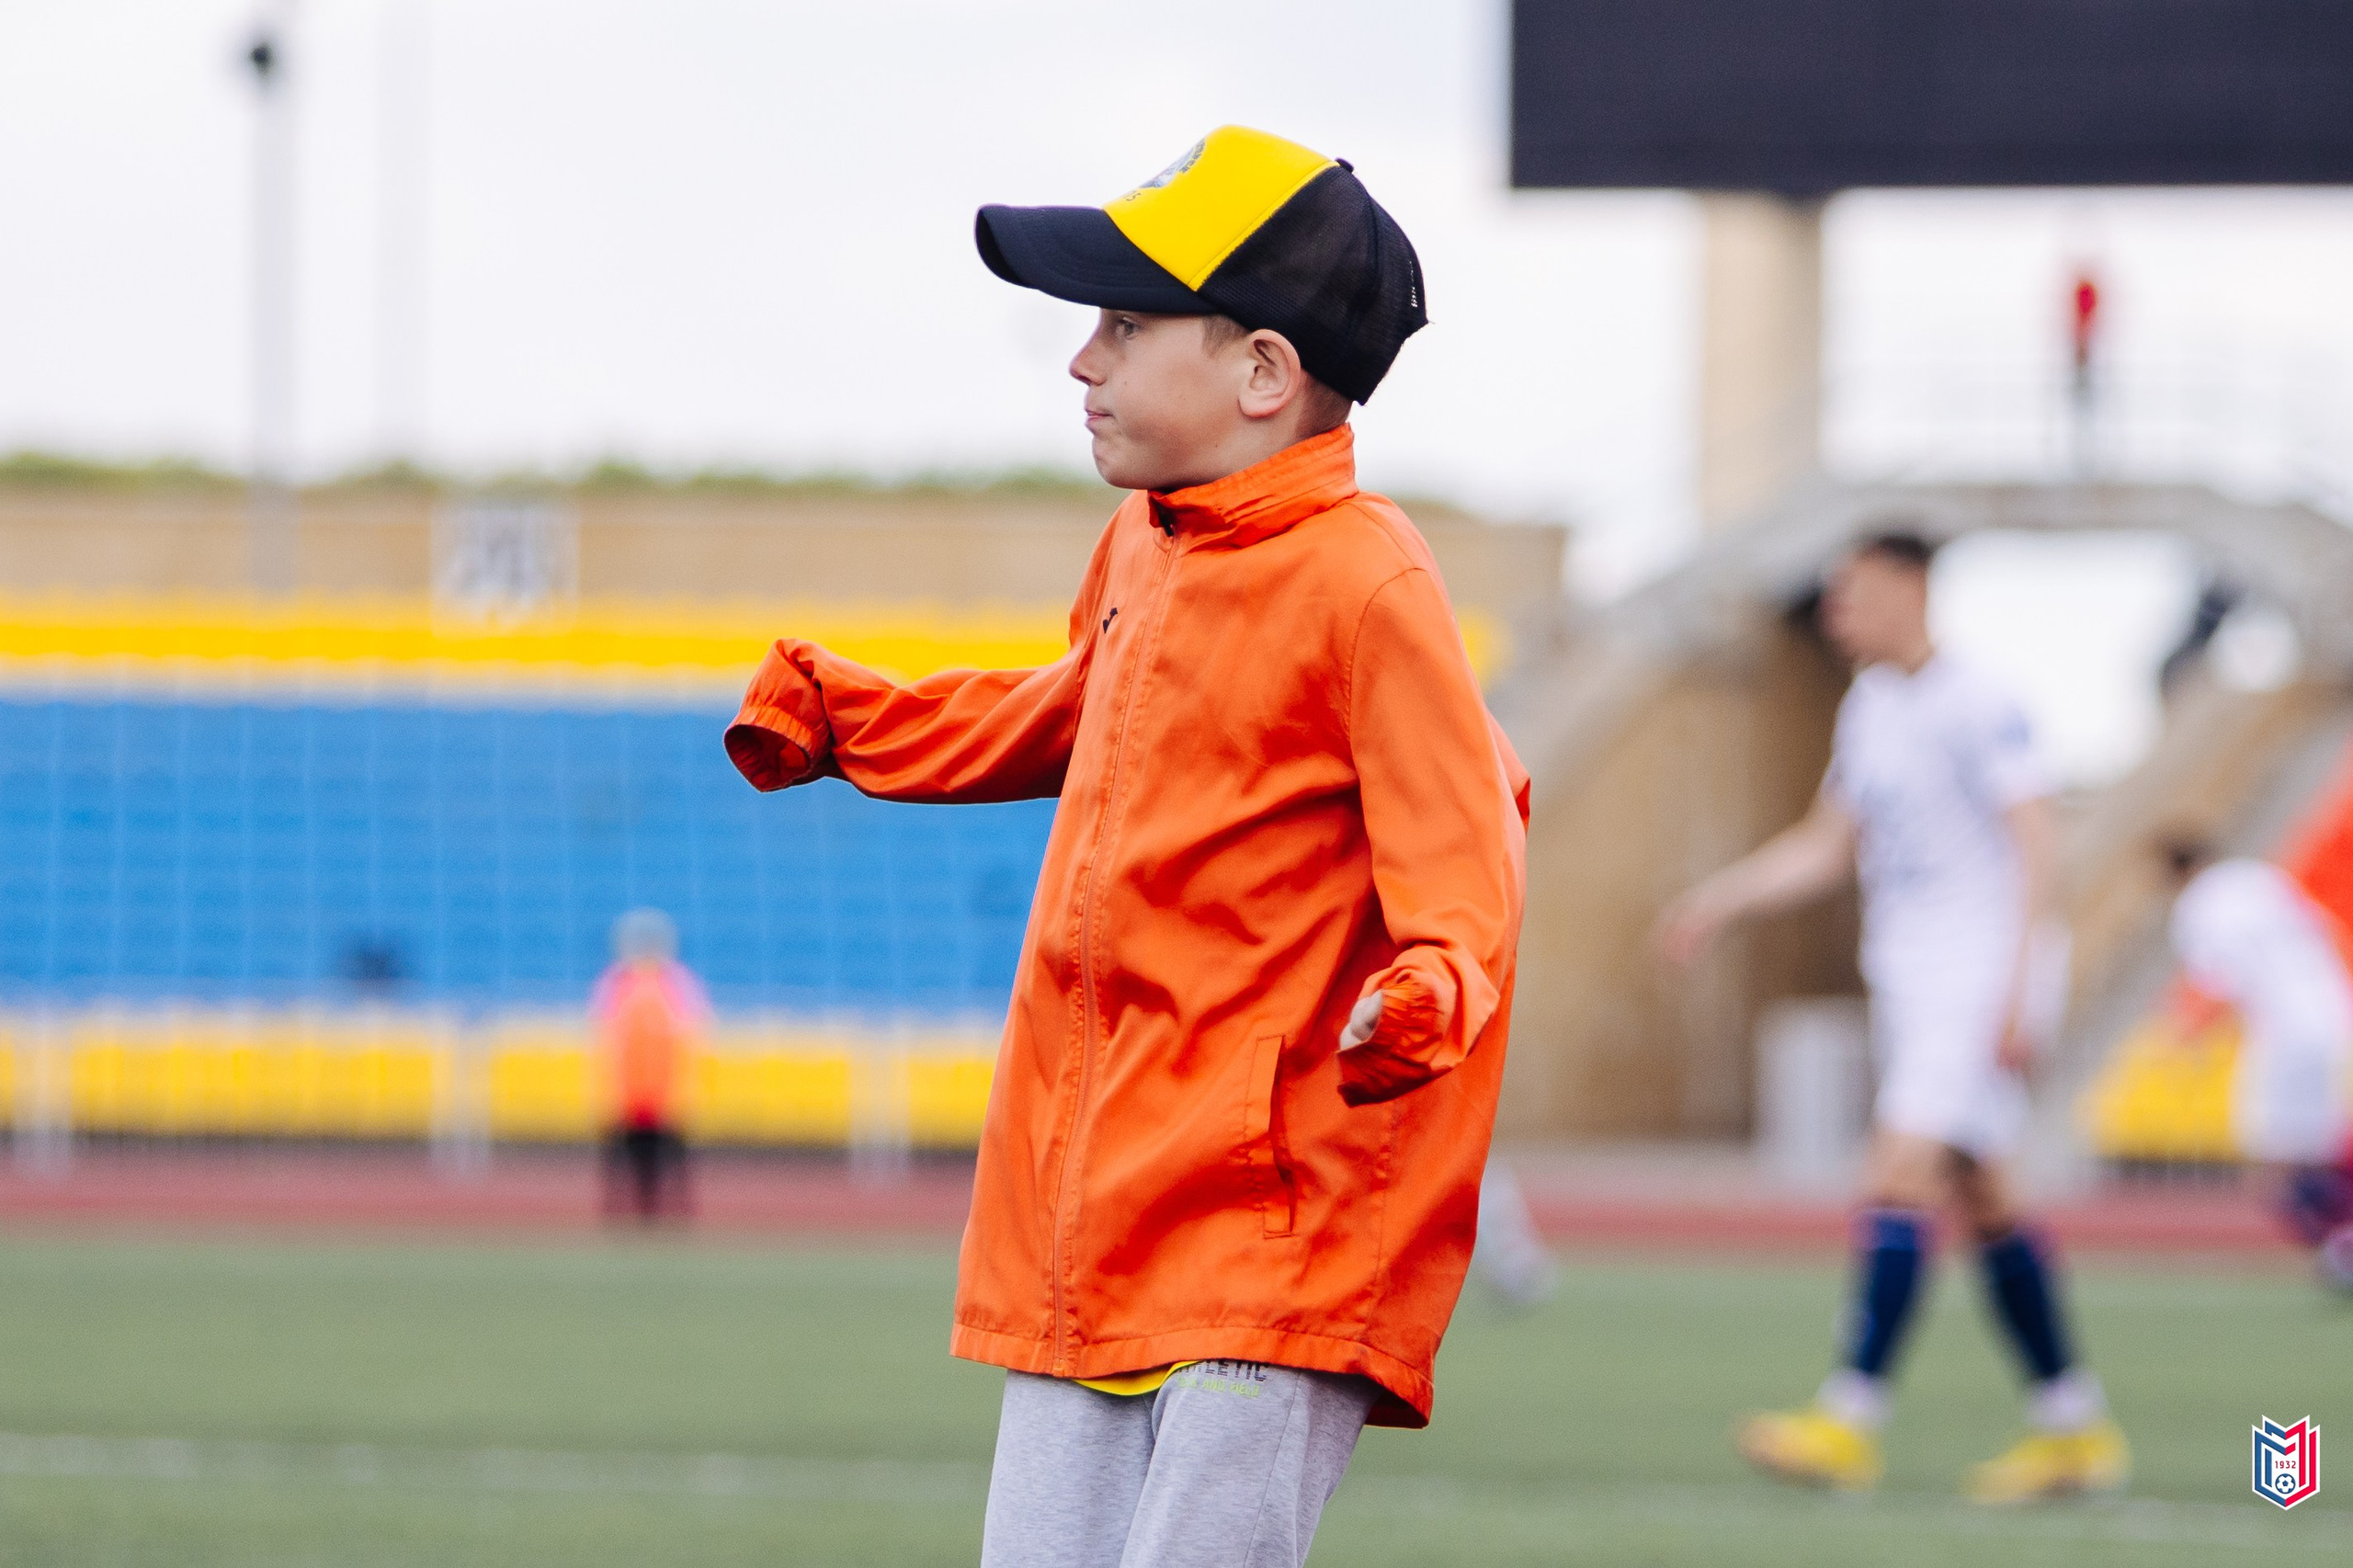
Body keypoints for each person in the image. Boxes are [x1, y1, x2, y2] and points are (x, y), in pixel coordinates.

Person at [722, 125, 1527, 1567]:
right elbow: (1071, 716)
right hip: (1095, 1206)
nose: (1082, 360)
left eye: (1123, 323)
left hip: (1271, 1218)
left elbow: (1471, 840)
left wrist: (1434, 985)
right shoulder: (1144, 546)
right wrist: (851, 718)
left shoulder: (1369, 580)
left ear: (1263, 372)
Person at [1658, 530, 2130, 1502]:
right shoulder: (1870, 708)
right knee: (1988, 1199)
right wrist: (1722, 900)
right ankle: (2073, 1424)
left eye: (1853, 594)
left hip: (1973, 983)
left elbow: (2036, 842)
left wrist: (2018, 986)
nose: (1837, 615)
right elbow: (1830, 844)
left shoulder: (1980, 701)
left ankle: (1849, 1417)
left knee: (1894, 1171)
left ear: (1910, 588)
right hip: (1915, 987)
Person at [2157, 836, 2353, 1287]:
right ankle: (2338, 1242)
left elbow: (2217, 982)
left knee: (2274, 1157)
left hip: (2285, 1031)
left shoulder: (2199, 906)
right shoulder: (2261, 879)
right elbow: (2326, 931)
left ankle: (2337, 1244)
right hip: (2331, 1015)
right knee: (2320, 1146)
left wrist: (2184, 1038)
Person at [591, 907, 706, 1222]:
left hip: (665, 1089)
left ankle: (672, 1213)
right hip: (627, 1089)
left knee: (668, 1156)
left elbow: (692, 1032)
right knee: (624, 1157)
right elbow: (604, 1034)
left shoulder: (678, 981)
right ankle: (620, 1213)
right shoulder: (615, 982)